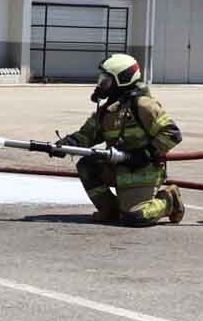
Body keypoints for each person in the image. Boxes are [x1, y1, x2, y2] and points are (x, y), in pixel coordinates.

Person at [56, 54, 185, 226]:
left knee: (136, 217)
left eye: (107, 81)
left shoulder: (144, 105)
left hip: (142, 171)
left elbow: (172, 134)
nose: (101, 85)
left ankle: (170, 201)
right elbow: (87, 135)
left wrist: (145, 153)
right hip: (117, 167)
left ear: (122, 80)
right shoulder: (107, 111)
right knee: (87, 165)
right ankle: (110, 210)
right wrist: (66, 144)